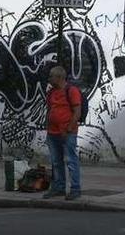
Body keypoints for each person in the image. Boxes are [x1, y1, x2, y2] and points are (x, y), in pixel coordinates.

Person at [42, 66, 82, 200]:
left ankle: (75, 189)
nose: (49, 78)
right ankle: (59, 187)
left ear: (59, 77)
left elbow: (77, 112)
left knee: (71, 160)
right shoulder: (51, 92)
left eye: (51, 76)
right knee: (56, 161)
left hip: (67, 132)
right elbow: (50, 109)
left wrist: (69, 129)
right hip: (53, 132)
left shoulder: (71, 91)